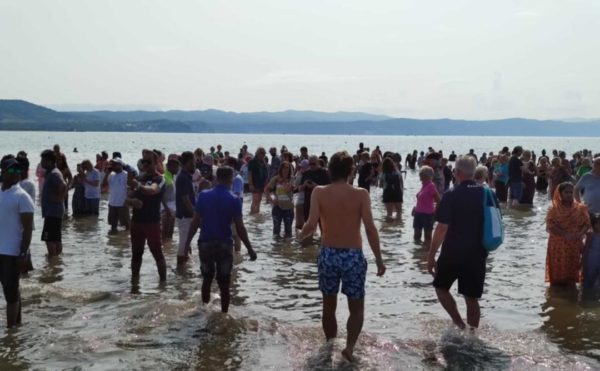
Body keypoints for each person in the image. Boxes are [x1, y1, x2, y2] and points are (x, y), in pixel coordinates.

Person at [298, 151, 385, 363]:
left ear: (330, 170)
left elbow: (310, 225)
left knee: (329, 306)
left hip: (328, 254)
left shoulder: (319, 192)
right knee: (356, 308)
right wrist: (379, 259)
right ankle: (349, 348)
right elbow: (371, 229)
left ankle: (330, 345)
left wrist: (299, 238)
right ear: (350, 171)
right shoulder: (361, 194)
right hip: (352, 256)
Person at [427, 156, 488, 330]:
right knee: (471, 298)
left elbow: (441, 229)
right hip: (478, 252)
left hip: (453, 251)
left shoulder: (452, 194)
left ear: (457, 172)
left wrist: (431, 256)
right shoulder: (486, 193)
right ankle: (473, 334)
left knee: (440, 287)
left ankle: (459, 323)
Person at [185, 166, 257, 313]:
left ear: (216, 177)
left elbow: (194, 222)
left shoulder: (204, 195)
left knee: (206, 279)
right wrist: (249, 248)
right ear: (231, 179)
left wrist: (187, 243)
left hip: (205, 242)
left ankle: (204, 311)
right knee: (224, 284)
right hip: (225, 243)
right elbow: (240, 228)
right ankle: (224, 315)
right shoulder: (234, 200)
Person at [0, 158, 34, 327]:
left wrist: (23, 253)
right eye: (11, 171)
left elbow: (28, 229)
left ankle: (10, 332)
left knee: (10, 292)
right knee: (10, 290)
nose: (15, 174)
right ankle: (17, 326)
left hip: (12, 252)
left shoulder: (22, 196)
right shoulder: (1, 193)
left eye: (17, 171)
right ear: (2, 172)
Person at [128, 151, 167, 283]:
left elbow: (153, 190)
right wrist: (132, 202)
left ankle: (163, 283)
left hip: (152, 222)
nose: (145, 164)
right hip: (137, 221)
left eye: (148, 162)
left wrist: (138, 186)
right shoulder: (140, 178)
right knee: (136, 253)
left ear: (156, 163)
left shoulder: (160, 179)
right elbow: (127, 197)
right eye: (143, 161)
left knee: (157, 252)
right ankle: (134, 284)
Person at [545, 182, 591, 285]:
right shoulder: (554, 209)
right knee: (558, 271)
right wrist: (565, 234)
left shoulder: (580, 208)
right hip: (557, 245)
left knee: (572, 270)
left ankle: (570, 292)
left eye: (571, 192)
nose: (569, 194)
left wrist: (579, 234)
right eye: (566, 192)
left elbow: (587, 224)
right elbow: (550, 226)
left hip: (574, 244)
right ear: (560, 194)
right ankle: (557, 294)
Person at [40, 150, 66, 257]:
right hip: (54, 211)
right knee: (55, 238)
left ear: (49, 161)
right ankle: (56, 261)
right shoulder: (51, 172)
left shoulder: (54, 173)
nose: (41, 162)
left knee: (48, 238)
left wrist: (59, 198)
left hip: (53, 211)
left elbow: (63, 185)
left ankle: (52, 259)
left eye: (43, 160)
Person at [175, 152, 196, 266]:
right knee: (183, 244)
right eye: (193, 162)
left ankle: (185, 268)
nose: (195, 165)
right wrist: (194, 216)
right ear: (188, 162)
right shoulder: (183, 177)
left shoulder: (186, 176)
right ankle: (180, 269)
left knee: (187, 242)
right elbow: (185, 199)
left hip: (186, 214)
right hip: (185, 215)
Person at [265, 161, 294, 238]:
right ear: (280, 169)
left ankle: (287, 248)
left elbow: (287, 189)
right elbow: (266, 190)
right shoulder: (275, 179)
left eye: (287, 168)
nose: (285, 170)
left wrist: (284, 181)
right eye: (283, 168)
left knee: (288, 231)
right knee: (276, 231)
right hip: (277, 207)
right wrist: (271, 200)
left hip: (289, 208)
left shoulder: (292, 179)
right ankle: (277, 248)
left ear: (290, 169)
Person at [413, 166, 440, 247]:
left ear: (427, 176)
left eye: (421, 174)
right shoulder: (423, 186)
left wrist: (435, 213)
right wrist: (415, 208)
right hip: (418, 214)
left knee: (427, 237)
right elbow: (422, 200)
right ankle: (418, 254)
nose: (420, 176)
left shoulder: (431, 186)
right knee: (416, 236)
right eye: (420, 174)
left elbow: (439, 201)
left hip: (428, 215)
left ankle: (426, 254)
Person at [102, 158, 130, 234]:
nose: (113, 166)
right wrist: (107, 173)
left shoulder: (126, 175)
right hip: (112, 203)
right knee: (112, 226)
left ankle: (125, 240)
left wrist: (127, 201)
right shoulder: (111, 175)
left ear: (120, 165)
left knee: (127, 226)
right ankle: (115, 241)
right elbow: (103, 185)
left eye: (115, 164)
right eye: (112, 164)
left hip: (122, 204)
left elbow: (130, 189)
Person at [301, 156, 331, 223]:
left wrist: (316, 186)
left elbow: (330, 189)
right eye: (310, 164)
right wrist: (304, 185)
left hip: (322, 203)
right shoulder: (306, 173)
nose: (311, 166)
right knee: (308, 225)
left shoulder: (325, 173)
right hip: (308, 202)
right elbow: (299, 189)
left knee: (323, 226)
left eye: (313, 164)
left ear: (318, 162)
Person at [161, 155, 179, 240]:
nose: (178, 169)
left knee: (170, 235)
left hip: (172, 209)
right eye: (176, 167)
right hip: (166, 209)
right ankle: (164, 250)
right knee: (164, 234)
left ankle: (168, 251)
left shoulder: (172, 177)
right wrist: (166, 208)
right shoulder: (164, 177)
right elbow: (161, 195)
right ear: (170, 167)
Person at [248, 147, 268, 214]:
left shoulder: (263, 162)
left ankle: (257, 213)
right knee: (255, 200)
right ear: (257, 153)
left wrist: (266, 184)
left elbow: (265, 174)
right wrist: (251, 184)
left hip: (261, 184)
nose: (262, 155)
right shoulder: (252, 162)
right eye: (261, 153)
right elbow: (250, 173)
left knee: (259, 200)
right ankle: (252, 214)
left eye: (264, 154)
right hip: (254, 183)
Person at [583, 214, 600, 289]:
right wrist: (583, 261)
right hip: (591, 260)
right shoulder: (591, 234)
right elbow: (586, 248)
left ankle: (594, 297)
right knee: (588, 276)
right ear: (594, 224)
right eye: (599, 223)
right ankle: (586, 294)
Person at [294, 159, 309, 230]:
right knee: (308, 223)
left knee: (299, 225)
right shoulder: (311, 174)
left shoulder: (300, 175)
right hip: (308, 201)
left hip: (300, 201)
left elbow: (296, 185)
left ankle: (299, 239)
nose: (301, 169)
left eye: (302, 167)